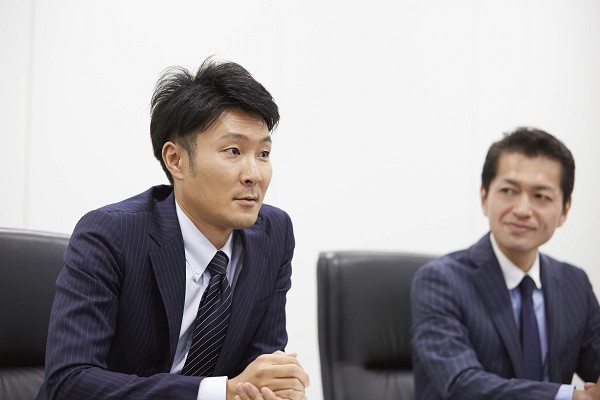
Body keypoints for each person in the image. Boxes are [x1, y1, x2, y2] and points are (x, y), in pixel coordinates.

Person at [36, 58, 309, 400]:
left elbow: (261, 367)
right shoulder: (110, 234)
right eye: (234, 151)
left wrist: (275, 388)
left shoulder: (274, 233)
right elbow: (69, 381)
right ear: (176, 160)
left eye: (264, 153)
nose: (254, 174)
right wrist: (218, 392)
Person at [411, 127, 600, 400]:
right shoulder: (440, 282)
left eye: (541, 196)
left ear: (564, 210)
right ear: (484, 198)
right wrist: (569, 397)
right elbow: (461, 385)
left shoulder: (574, 283)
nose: (522, 210)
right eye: (508, 190)